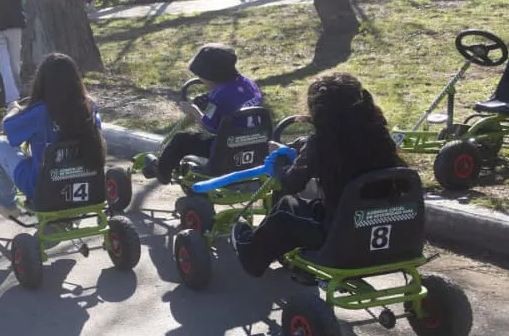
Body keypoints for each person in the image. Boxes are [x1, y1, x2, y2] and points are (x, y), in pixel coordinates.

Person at [233, 73, 404, 276]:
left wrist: (280, 164)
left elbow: (291, 183)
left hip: (340, 235)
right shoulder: (380, 135)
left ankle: (250, 253)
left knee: (284, 214)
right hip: (391, 230)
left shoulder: (322, 144)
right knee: (298, 206)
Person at [0, 53, 104, 216]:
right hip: (87, 181)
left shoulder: (41, 112)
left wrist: (13, 109)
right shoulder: (90, 107)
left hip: (44, 186)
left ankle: (5, 204)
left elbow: (8, 128)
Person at [155, 43, 263, 184]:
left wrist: (194, 110)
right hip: (255, 146)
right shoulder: (248, 84)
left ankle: (163, 172)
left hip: (224, 152)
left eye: (201, 77)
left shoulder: (218, 96)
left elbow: (209, 126)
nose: (201, 80)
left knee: (181, 140)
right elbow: (234, 102)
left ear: (211, 76)